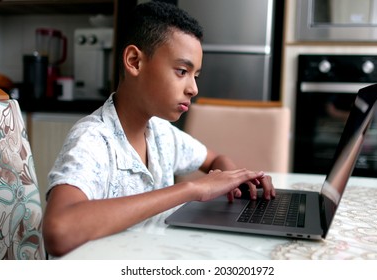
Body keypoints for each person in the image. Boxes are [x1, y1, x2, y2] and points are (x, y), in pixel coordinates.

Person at [42, 1, 276, 257]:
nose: (193, 89)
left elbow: (213, 159)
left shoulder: (161, 133)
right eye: (182, 71)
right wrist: (193, 189)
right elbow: (59, 231)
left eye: (195, 75)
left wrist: (236, 179)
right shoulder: (93, 139)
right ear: (134, 62)